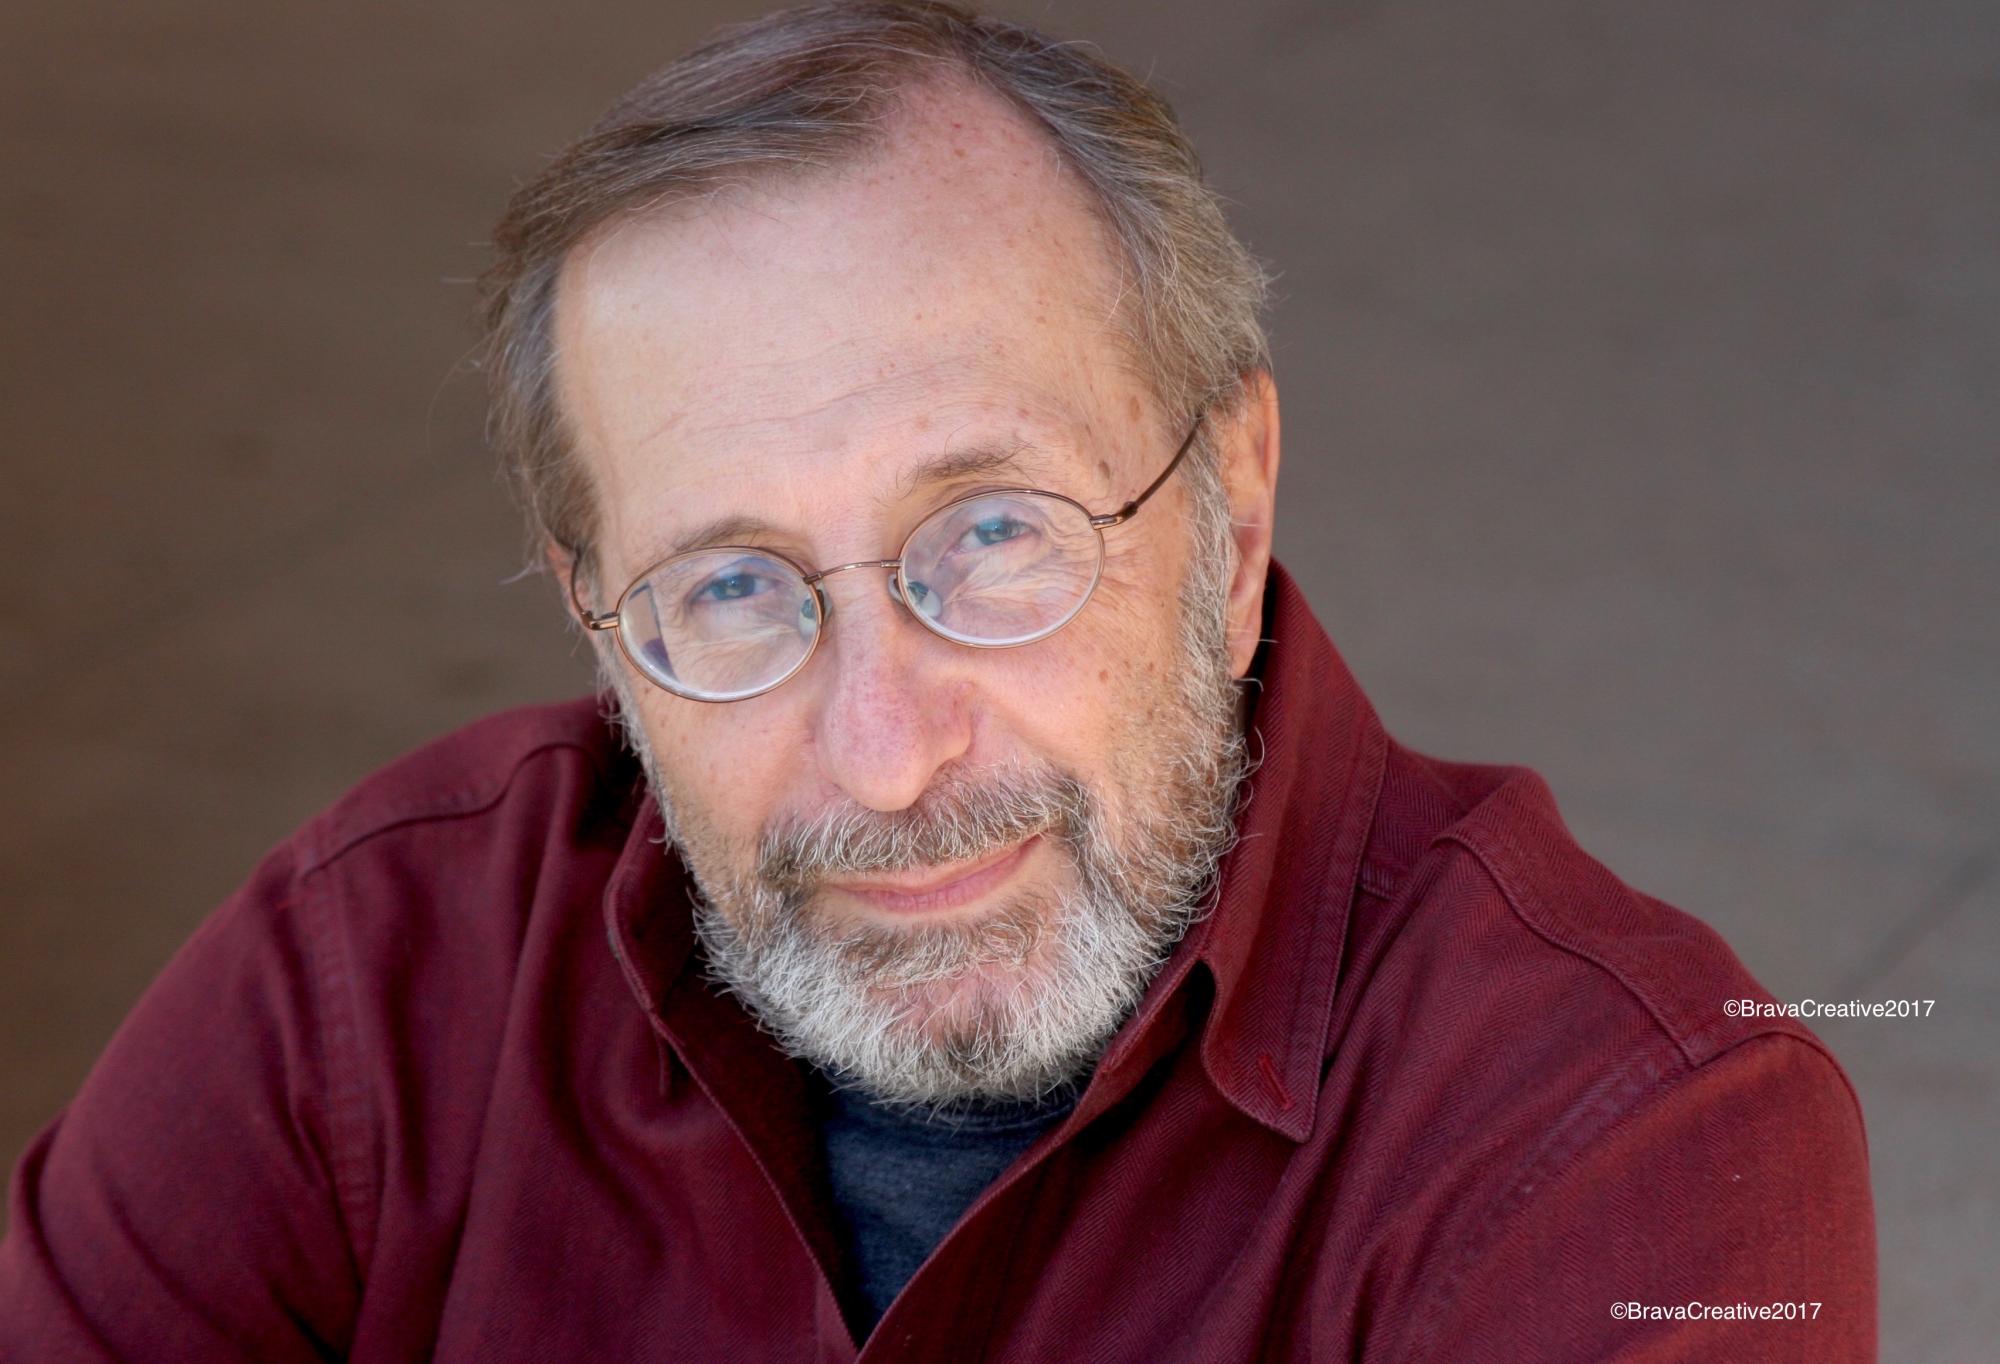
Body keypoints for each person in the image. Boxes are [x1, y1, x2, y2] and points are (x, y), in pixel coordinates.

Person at [0, 2, 1875, 1359]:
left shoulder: (1634, 1146)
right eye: (732, 585)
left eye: (991, 535)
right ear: (598, 622)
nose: (886, 757)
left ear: (1228, 503)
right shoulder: (372, 972)